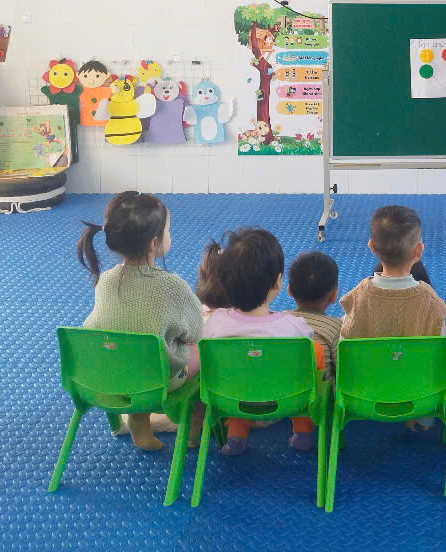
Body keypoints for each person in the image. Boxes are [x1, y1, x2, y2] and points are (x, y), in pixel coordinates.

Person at [78, 191, 203, 452]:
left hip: (109, 374)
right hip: (158, 380)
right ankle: (192, 425)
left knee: (134, 346)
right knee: (204, 351)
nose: (170, 235)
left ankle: (138, 420)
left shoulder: (105, 280)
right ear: (155, 242)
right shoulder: (172, 286)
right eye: (168, 231)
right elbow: (195, 332)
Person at [194, 228, 323, 454]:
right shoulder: (294, 326)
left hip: (231, 398)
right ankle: (302, 431)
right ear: (278, 282)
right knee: (313, 356)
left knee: (238, 373)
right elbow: (311, 356)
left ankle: (236, 434)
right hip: (285, 398)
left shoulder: (214, 324)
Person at [341, 205, 446, 340]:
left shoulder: (355, 299)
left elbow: (345, 346)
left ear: (372, 246)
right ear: (419, 250)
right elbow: (441, 347)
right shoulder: (433, 304)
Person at [288, 250, 342, 379]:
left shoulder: (280, 322)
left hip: (286, 388)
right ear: (334, 296)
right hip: (321, 391)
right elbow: (341, 369)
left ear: (289, 291)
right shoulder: (336, 328)